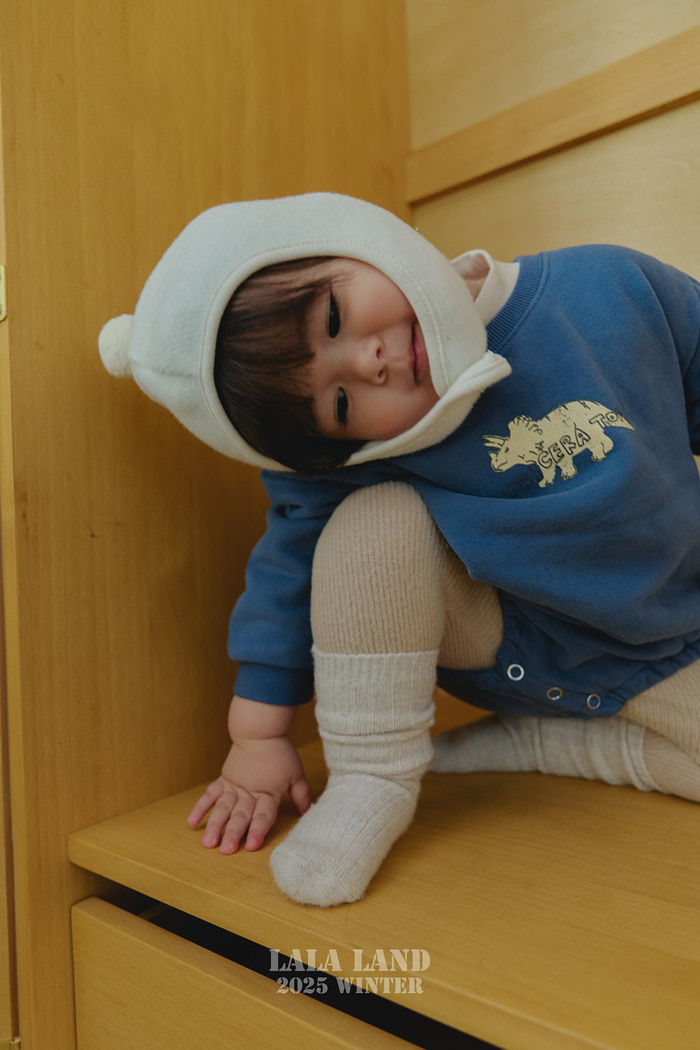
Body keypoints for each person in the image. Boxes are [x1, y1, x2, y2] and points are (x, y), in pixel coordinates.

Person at [99, 192, 700, 908]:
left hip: (667, 641)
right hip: (509, 643)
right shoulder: (369, 455)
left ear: (353, 236)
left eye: (333, 316)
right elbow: (288, 573)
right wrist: (255, 736)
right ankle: (373, 774)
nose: (370, 362)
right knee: (372, 522)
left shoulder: (610, 290)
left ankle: (553, 744)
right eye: (341, 403)